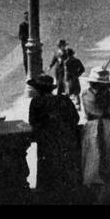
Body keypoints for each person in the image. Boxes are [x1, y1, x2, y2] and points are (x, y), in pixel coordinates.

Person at [28, 73, 81, 202]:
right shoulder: (64, 100)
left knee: (47, 173)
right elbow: (76, 119)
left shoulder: (36, 102)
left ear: (38, 90)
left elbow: (33, 122)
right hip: (66, 142)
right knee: (64, 173)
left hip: (47, 143)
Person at [80, 69, 110, 203]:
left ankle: (95, 197)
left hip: (92, 127)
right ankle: (107, 196)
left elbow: (86, 113)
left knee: (93, 161)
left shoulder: (85, 94)